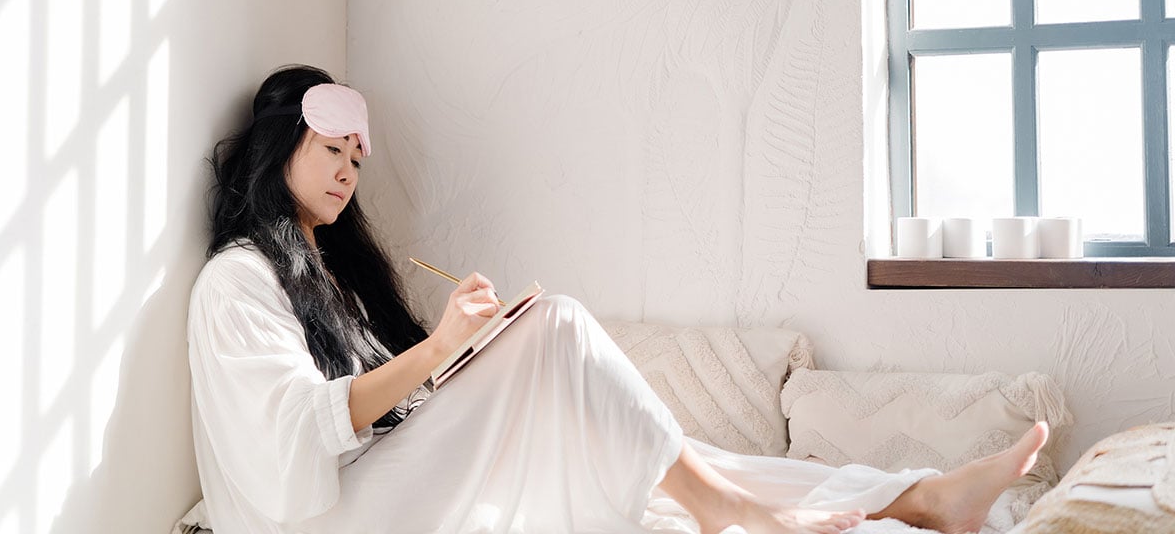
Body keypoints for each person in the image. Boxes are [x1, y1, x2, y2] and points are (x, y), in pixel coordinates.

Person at [187, 64, 1049, 534]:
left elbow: (384, 413)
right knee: (561, 329)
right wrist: (443, 346)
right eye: (332, 148)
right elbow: (298, 439)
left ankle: (914, 498)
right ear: (279, 146)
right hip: (330, 521)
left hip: (383, 489)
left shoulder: (329, 275)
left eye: (356, 159)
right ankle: (742, 517)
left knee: (647, 461)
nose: (347, 170)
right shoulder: (236, 281)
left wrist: (468, 358)